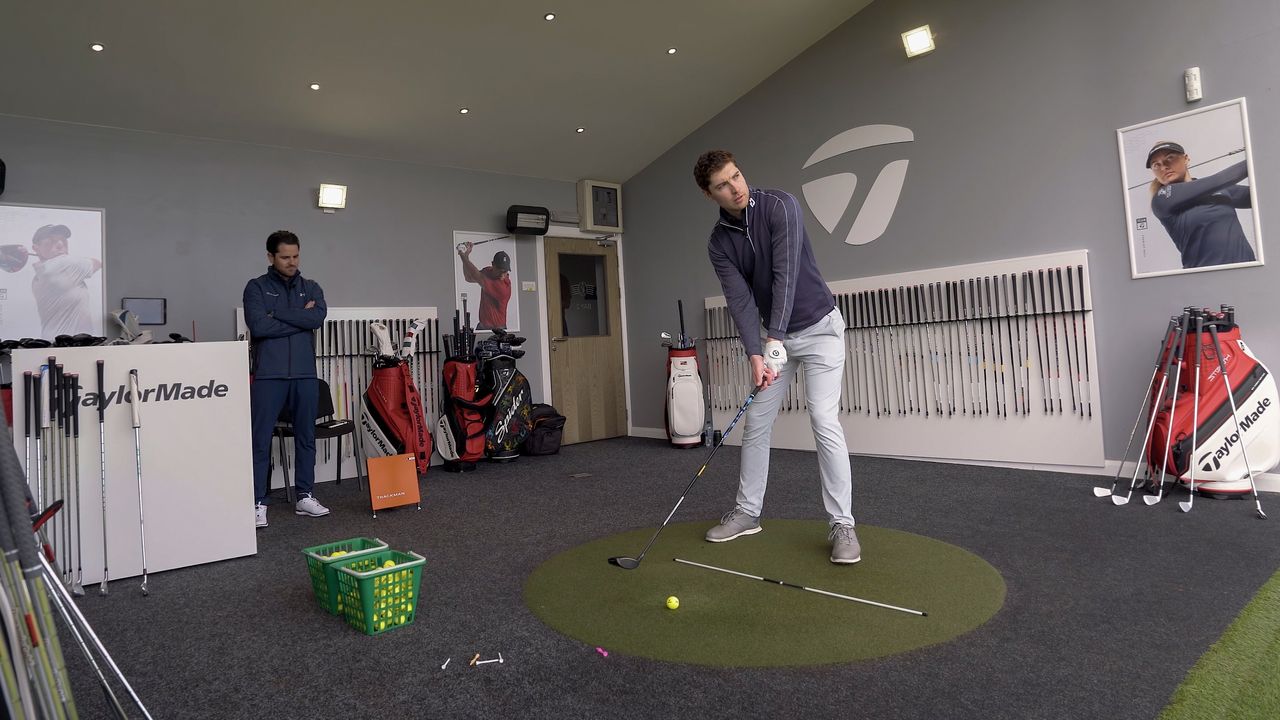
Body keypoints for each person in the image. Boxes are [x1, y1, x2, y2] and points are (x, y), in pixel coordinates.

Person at [693, 149, 859, 564]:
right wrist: (754, 353)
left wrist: (773, 341)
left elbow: (785, 278)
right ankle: (748, 513)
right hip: (774, 341)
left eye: (737, 176)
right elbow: (740, 300)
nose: (735, 188)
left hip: (820, 329)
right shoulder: (719, 244)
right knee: (757, 423)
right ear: (708, 193)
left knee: (823, 418)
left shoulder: (781, 206)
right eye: (722, 185)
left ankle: (843, 524)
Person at [243, 231, 329, 526]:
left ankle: (305, 495)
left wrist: (276, 314)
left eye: (295, 256)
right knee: (260, 440)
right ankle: (257, 502)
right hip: (269, 375)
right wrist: (297, 318)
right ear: (270, 257)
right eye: (285, 257)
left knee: (306, 437)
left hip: (305, 374)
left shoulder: (312, 287)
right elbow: (259, 325)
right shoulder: (256, 288)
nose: (292, 262)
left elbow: (316, 318)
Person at [1146, 141, 1256, 269]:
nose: (1163, 167)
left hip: (1248, 271)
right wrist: (1258, 155)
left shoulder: (1218, 189)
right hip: (1205, 279)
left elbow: (1261, 196)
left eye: (1169, 157)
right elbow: (1221, 179)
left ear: (1186, 159)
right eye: (1156, 165)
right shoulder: (1162, 198)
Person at [30, 224, 103, 337]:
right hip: (68, 345)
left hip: (54, 341)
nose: (60, 244)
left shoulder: (38, 275)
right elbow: (97, 263)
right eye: (51, 241)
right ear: (35, 248)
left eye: (63, 240)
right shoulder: (63, 264)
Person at [458, 242, 512, 330]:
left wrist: (462, 254)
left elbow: (476, 275)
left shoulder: (503, 287)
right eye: (500, 271)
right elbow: (469, 277)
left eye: (505, 271)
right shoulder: (487, 271)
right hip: (482, 326)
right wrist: (466, 255)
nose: (502, 275)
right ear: (493, 265)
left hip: (497, 330)